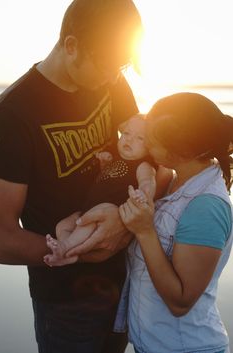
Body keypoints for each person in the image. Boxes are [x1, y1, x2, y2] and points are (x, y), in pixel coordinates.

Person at [0, 1, 144, 352]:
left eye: (120, 65)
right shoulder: (13, 116)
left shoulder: (113, 81)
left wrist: (121, 225)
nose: (113, 76)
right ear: (72, 45)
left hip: (126, 280)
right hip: (66, 303)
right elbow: (0, 236)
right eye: (107, 65)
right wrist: (78, 248)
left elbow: (145, 153)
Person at [116, 92, 233, 353]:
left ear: (180, 151)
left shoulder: (206, 207)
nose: (145, 146)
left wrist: (145, 232)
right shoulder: (175, 180)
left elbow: (180, 302)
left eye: (151, 140)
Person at [43, 114, 160, 267]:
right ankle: (70, 253)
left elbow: (148, 181)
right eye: (126, 133)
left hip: (107, 213)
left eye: (139, 138)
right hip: (88, 209)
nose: (129, 139)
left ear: (150, 147)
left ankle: (64, 248)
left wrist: (143, 194)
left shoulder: (143, 165)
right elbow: (109, 178)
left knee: (88, 222)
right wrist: (104, 164)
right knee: (63, 225)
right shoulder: (116, 158)